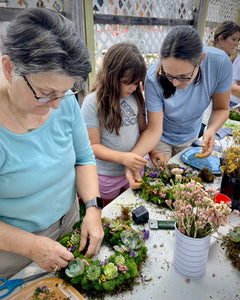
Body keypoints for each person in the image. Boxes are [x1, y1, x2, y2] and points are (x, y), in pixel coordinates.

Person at [0, 8, 104, 279]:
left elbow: (84, 158)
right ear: (9, 68)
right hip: (13, 251)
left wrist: (92, 207)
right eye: (46, 94)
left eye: (65, 92)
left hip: (68, 222)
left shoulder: (63, 100)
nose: (57, 104)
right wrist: (31, 246)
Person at [125, 26, 233, 189]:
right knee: (162, 185)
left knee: (187, 182)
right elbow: (154, 129)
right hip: (160, 138)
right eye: (168, 75)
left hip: (190, 135)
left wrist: (211, 129)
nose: (175, 83)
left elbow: (221, 108)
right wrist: (131, 161)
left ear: (201, 60)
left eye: (183, 77)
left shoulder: (219, 63)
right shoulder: (153, 77)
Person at [81, 42, 147, 205]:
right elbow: (93, 146)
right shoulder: (93, 102)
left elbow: (143, 131)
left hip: (134, 169)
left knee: (132, 207)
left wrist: (152, 151)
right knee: (110, 214)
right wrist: (124, 158)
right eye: (127, 82)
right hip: (106, 175)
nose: (133, 87)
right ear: (112, 75)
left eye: (136, 82)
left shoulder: (136, 97)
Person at [208, 21, 240, 107]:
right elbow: (231, 88)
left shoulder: (212, 54)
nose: (236, 44)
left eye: (238, 40)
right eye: (234, 39)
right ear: (221, 38)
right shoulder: (220, 58)